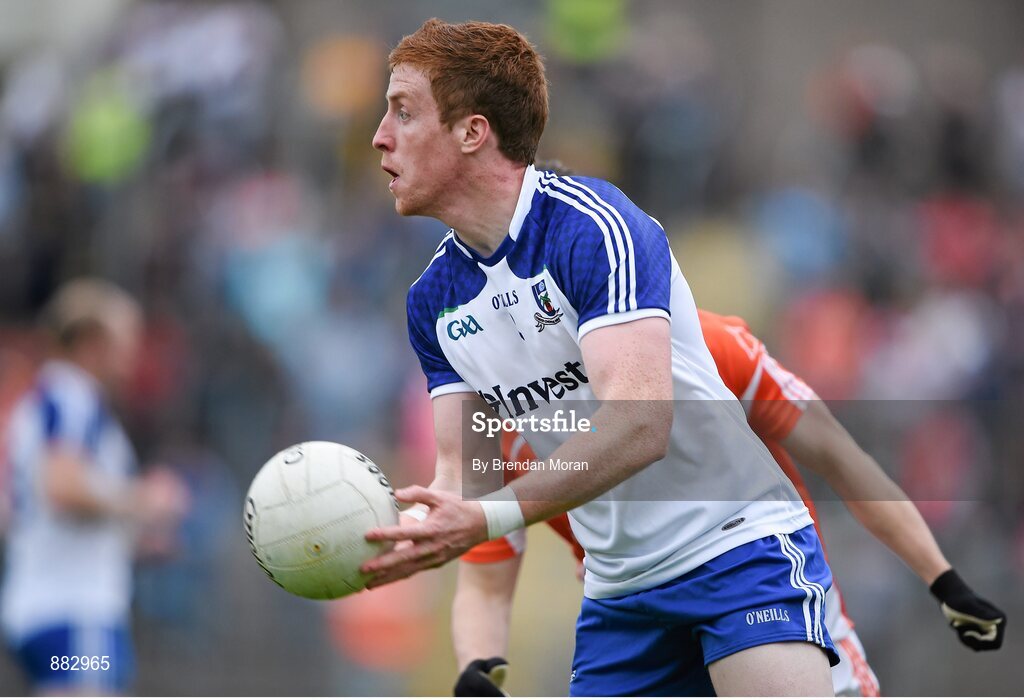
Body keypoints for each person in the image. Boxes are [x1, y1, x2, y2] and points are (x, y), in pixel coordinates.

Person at [363, 18, 838, 695]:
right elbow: (466, 479)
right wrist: (376, 533)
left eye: (403, 112)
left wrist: (488, 515)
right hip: (622, 597)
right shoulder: (432, 302)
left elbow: (640, 425)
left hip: (735, 548)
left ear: (472, 132)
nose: (379, 135)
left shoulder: (594, 227)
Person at [451, 309, 1008, 696]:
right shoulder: (491, 432)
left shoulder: (708, 349)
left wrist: (943, 579)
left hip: (763, 585)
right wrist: (478, 669)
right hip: (641, 622)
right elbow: (484, 580)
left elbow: (842, 458)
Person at [1, 279, 187, 695]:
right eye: (126, 339)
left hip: (47, 614)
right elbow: (62, 486)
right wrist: (146, 500)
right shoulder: (71, 395)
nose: (132, 355)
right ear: (91, 341)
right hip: (74, 616)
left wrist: (132, 537)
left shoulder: (46, 400)